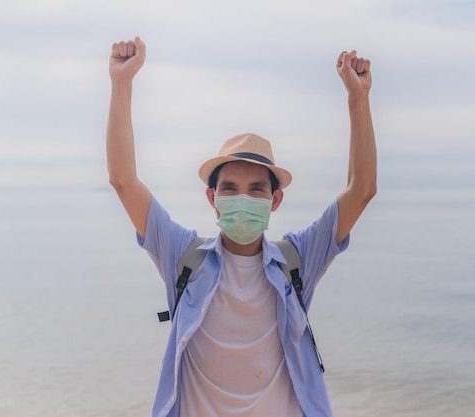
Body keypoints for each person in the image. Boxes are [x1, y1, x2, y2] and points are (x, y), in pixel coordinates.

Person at [106, 36, 377, 417]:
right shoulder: (183, 257)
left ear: (275, 200)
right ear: (211, 197)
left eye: (256, 190)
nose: (242, 199)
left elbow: (362, 190)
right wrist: (121, 84)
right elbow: (123, 181)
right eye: (230, 189)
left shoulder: (297, 261)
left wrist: (358, 98)